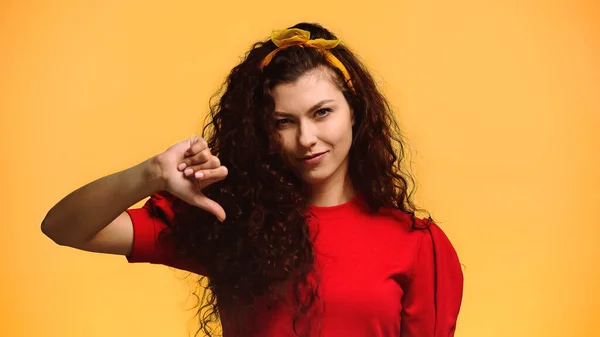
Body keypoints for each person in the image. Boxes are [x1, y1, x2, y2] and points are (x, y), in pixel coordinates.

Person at [41, 22, 463, 337]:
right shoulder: (233, 220)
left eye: (322, 112)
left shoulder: (418, 244)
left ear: (355, 110)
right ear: (264, 130)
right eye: (284, 121)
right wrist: (150, 174)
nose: (306, 139)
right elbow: (63, 227)